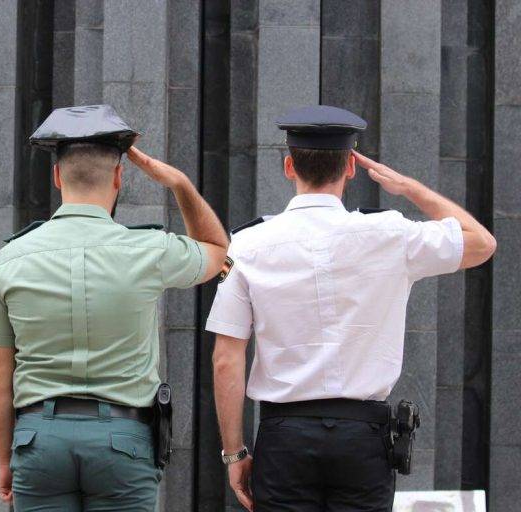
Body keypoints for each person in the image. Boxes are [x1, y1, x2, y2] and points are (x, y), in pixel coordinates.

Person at [207, 105, 496, 512]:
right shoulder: (391, 234)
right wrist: (410, 188)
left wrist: (234, 453)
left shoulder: (248, 245)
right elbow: (481, 242)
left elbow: (226, 359)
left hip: (285, 435)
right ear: (352, 167)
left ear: (290, 166)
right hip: (362, 437)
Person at [0, 104, 228, 511]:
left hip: (39, 440)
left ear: (57, 176)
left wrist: (5, 460)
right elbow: (219, 253)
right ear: (119, 176)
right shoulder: (150, 250)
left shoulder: (12, 257)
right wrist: (180, 184)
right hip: (122, 442)